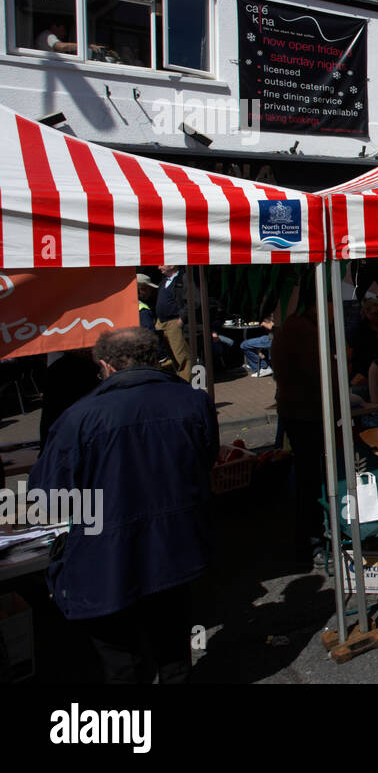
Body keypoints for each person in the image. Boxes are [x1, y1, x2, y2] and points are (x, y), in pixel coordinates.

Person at [28, 328, 218, 682]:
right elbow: (205, 460)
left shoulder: (80, 417)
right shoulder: (193, 400)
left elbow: (48, 496)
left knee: (124, 662)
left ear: (106, 366)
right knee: (173, 650)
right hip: (173, 547)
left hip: (107, 555)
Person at [271, 290, 329, 567]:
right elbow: (319, 374)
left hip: (295, 411)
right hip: (308, 413)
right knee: (311, 479)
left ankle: (309, 539)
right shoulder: (305, 331)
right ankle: (311, 541)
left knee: (307, 477)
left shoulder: (289, 328)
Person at [155, 264, 191, 384]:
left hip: (174, 322)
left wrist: (182, 318)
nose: (158, 268)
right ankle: (175, 379)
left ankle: (185, 382)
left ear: (172, 265)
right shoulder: (164, 281)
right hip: (161, 322)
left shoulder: (183, 279)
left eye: (161, 264)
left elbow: (192, 300)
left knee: (181, 355)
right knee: (167, 354)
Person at [347, 295, 378, 382]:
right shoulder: (359, 329)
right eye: (375, 314)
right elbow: (359, 353)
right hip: (363, 370)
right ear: (366, 313)